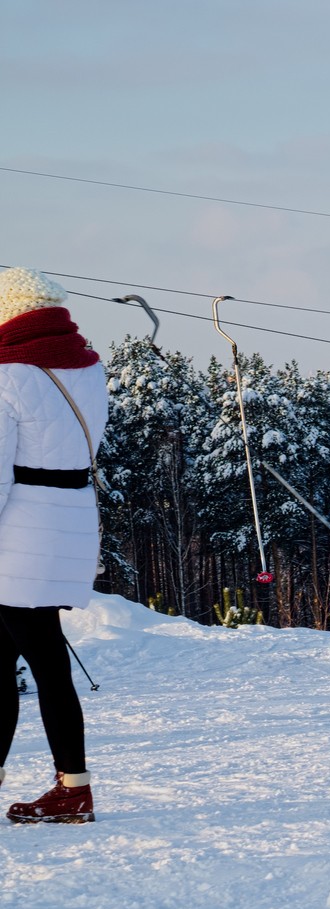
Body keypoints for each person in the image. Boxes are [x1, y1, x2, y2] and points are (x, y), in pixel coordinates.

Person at [0, 268, 107, 823]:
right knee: (20, 657)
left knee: (43, 659)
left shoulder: (7, 375)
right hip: (68, 522)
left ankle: (74, 789)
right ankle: (72, 786)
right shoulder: (89, 368)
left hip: (18, 537)